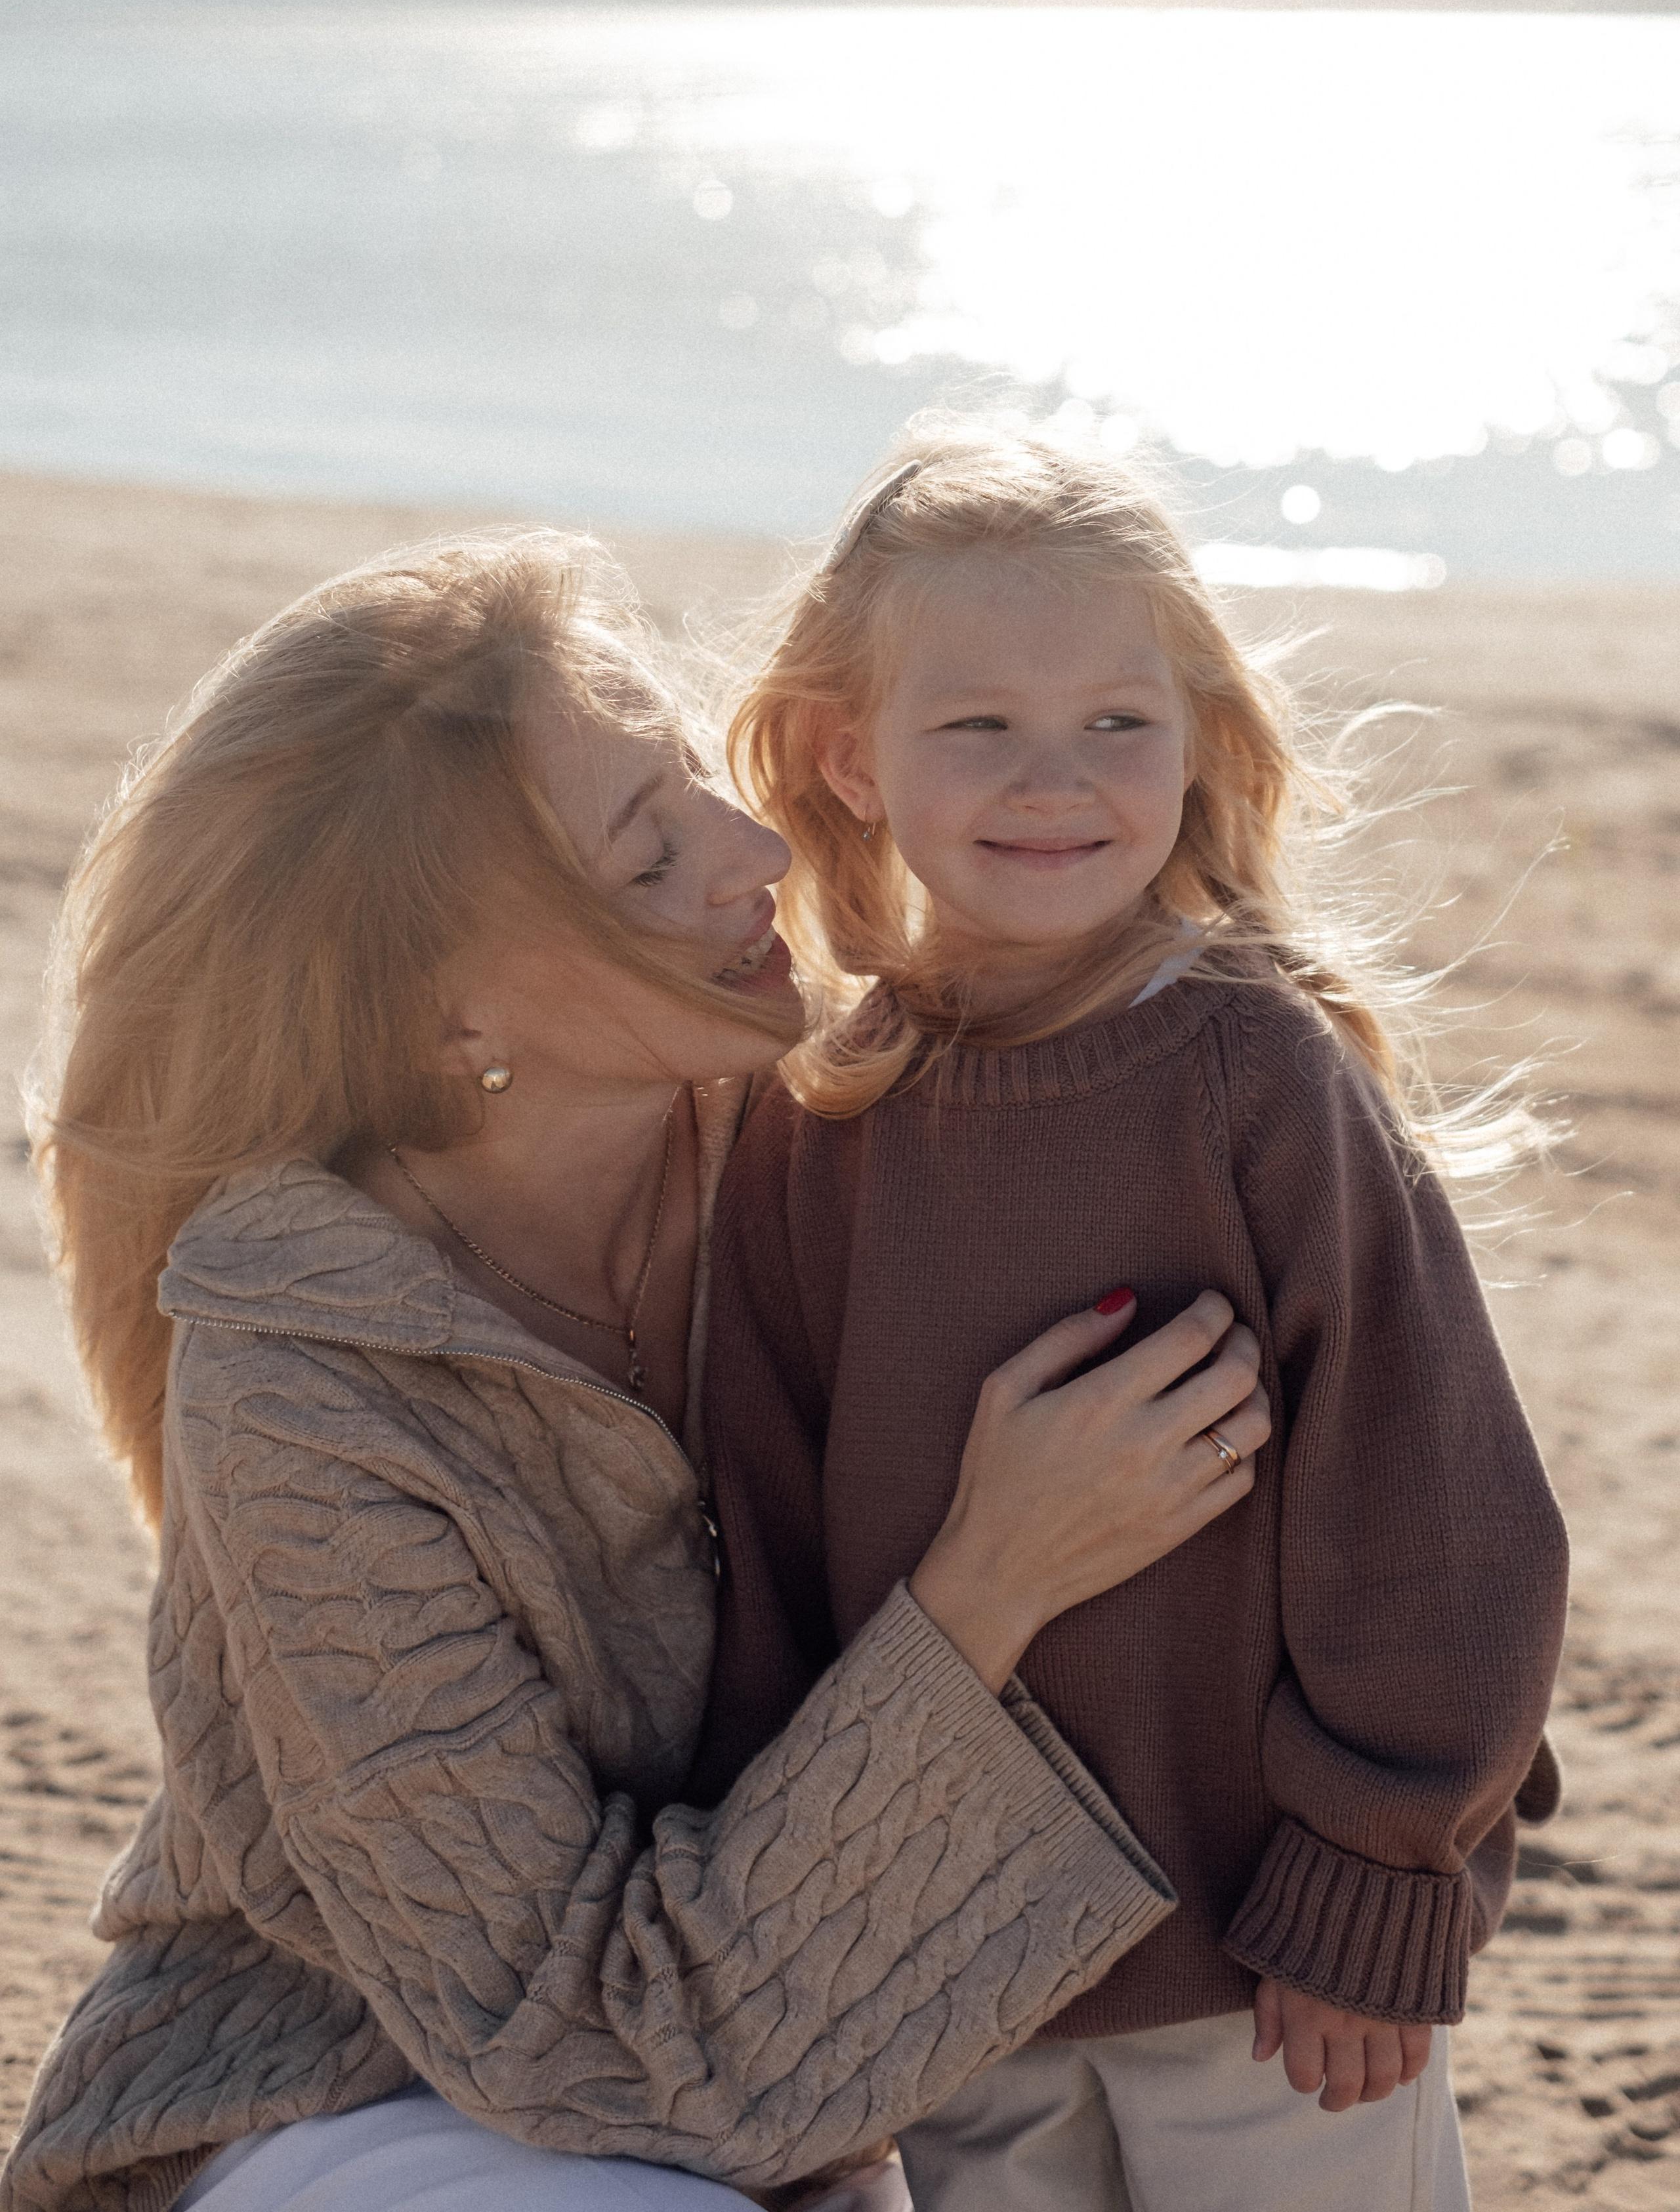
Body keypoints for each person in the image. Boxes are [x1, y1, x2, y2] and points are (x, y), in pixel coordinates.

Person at [2, 532, 1272, 2212]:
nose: (757, 854)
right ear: (452, 1017)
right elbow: (574, 2039)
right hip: (364, 2094)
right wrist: (989, 1580)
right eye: (645, 853)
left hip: (790, 2077)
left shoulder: (833, 1134)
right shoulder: (301, 1389)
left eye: (699, 784)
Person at [696, 423, 1571, 2212]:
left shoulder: (1255, 1071)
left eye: (1117, 721)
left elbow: (1438, 1505)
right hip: (959, 1957)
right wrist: (812, 1885)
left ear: (1197, 745)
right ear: (846, 756)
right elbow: (764, 1536)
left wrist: (1378, 1875)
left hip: (1275, 1962)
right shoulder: (819, 1118)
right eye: (978, 725)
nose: (1056, 778)